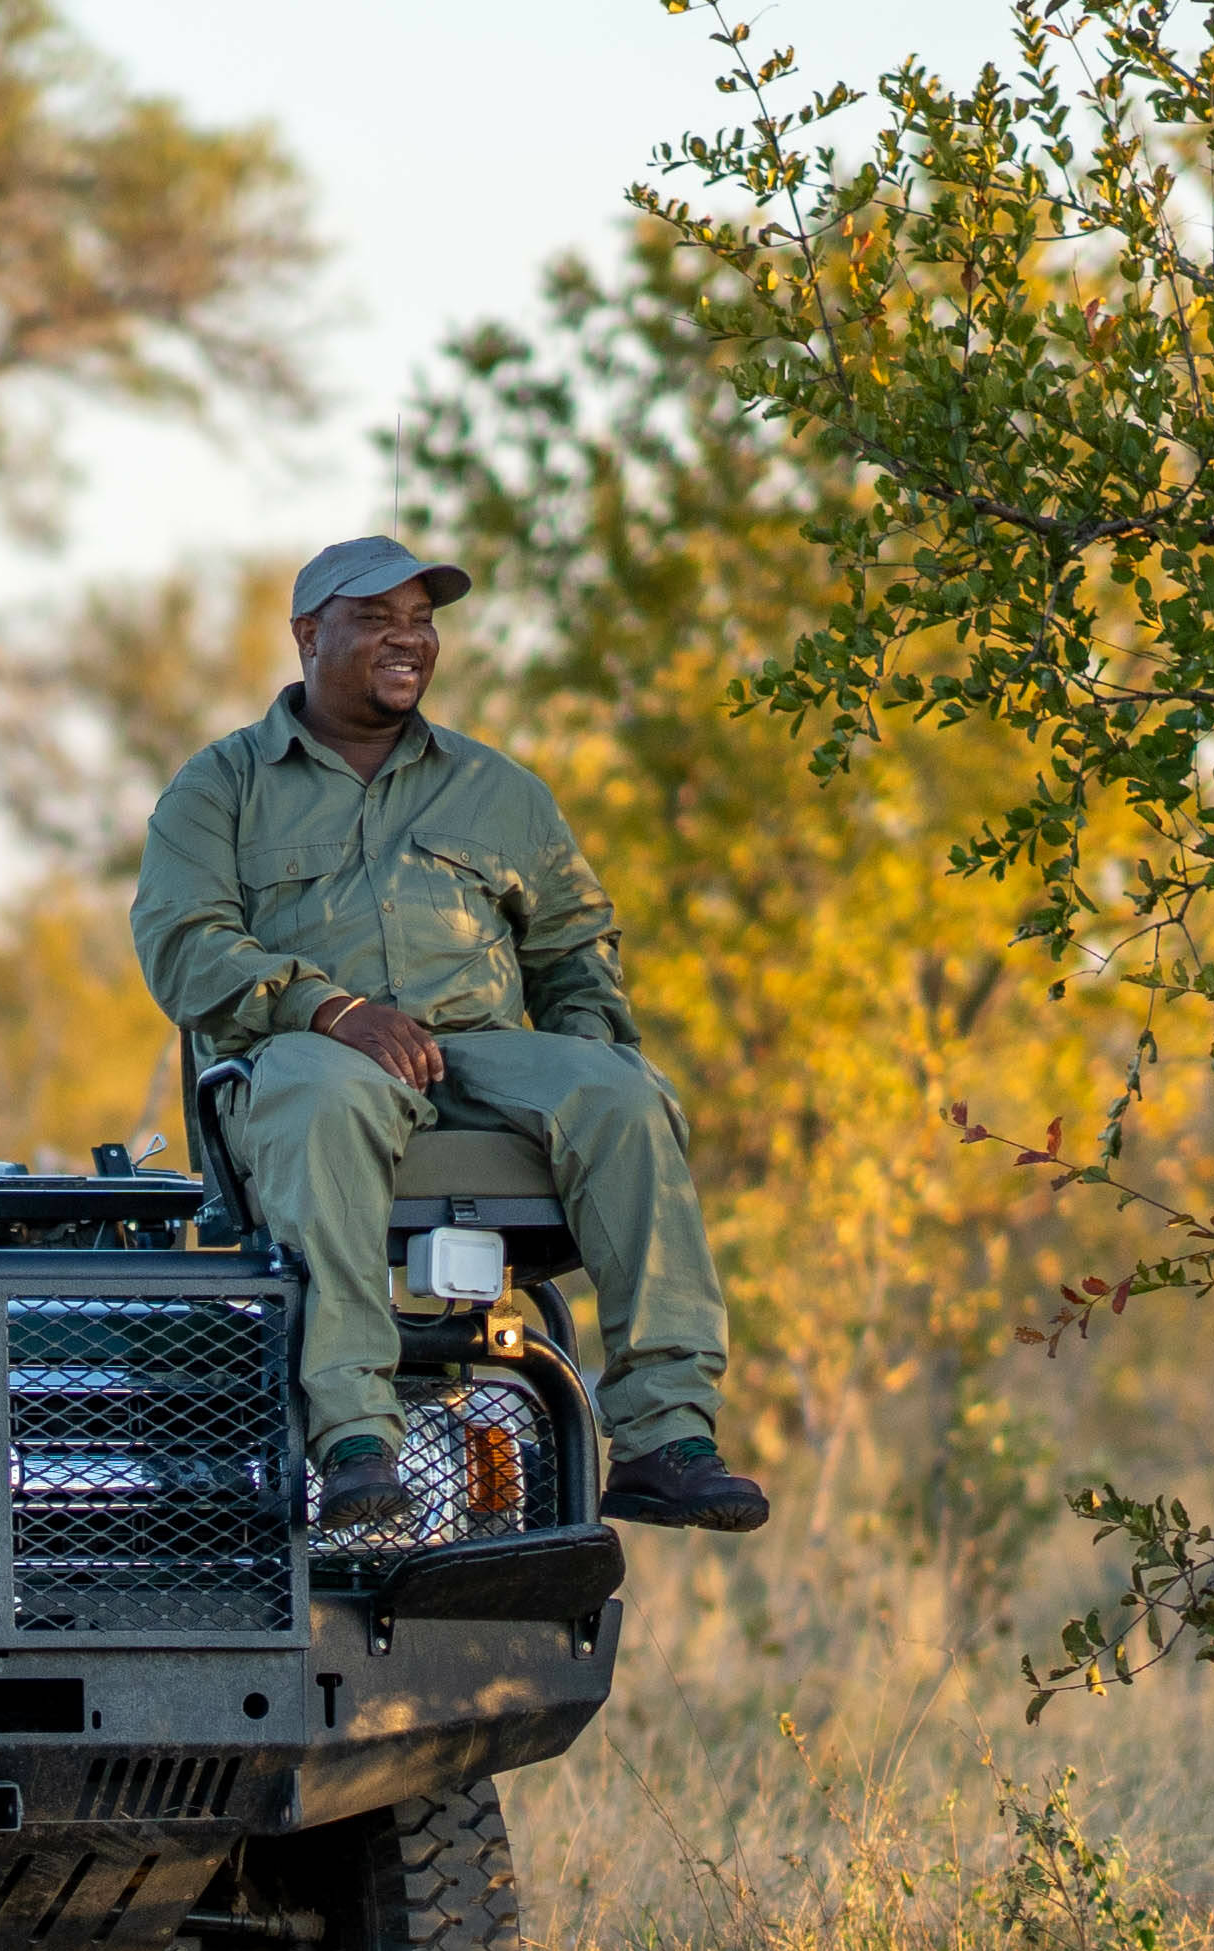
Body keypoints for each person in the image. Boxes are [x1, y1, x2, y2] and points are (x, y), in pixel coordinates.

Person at [129, 534, 765, 1533]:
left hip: (475, 1052)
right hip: (311, 1050)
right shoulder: (221, 786)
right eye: (377, 618)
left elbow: (572, 943)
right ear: (307, 633)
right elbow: (183, 943)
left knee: (626, 1093)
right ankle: (354, 1435)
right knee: (326, 1092)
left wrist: (583, 1049)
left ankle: (662, 1437)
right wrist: (329, 1009)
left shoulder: (497, 789)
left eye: (422, 620)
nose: (408, 639)